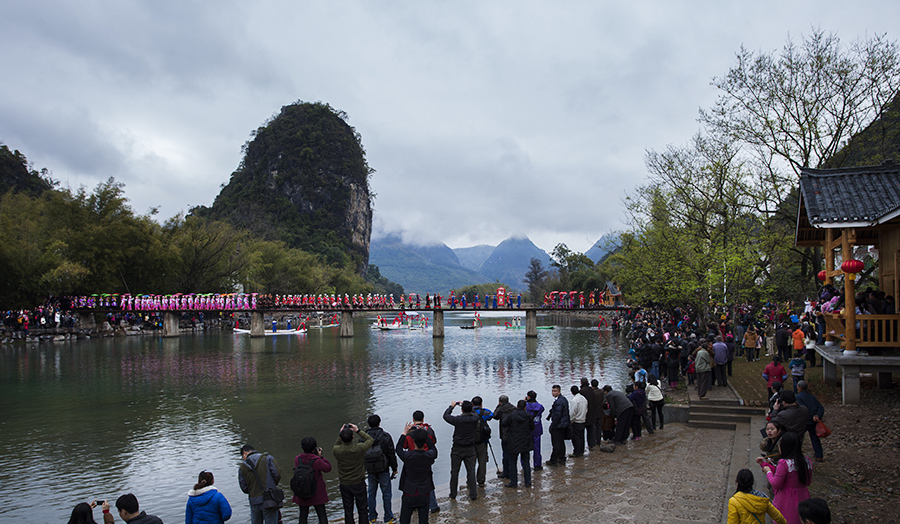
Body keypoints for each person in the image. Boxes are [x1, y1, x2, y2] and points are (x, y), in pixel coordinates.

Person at [756, 432, 812, 524]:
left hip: (787, 499)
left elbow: (776, 483)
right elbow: (808, 482)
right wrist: (764, 464)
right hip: (803, 496)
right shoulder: (807, 461)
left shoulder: (784, 463)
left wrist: (768, 472)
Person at [395, 423, 437, 524]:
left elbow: (398, 448)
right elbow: (433, 448)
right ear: (424, 441)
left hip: (409, 491)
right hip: (424, 492)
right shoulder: (429, 455)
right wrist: (424, 434)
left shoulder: (408, 456)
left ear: (413, 441)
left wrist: (404, 433)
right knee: (423, 520)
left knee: (404, 520)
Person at [333, 424, 374, 524]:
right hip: (358, 482)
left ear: (341, 438)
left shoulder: (337, 450)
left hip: (345, 483)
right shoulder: (359, 449)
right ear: (352, 437)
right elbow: (370, 440)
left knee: (348, 510)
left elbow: (337, 444)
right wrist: (358, 430)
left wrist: (341, 434)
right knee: (363, 509)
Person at [443, 400, 479, 500]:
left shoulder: (458, 420)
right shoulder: (474, 418)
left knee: (454, 472)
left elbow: (445, 416)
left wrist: (451, 406)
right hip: (470, 448)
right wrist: (468, 406)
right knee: (471, 471)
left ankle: (453, 494)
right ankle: (473, 494)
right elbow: (475, 412)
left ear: (462, 410)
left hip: (457, 448)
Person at [365, 414, 398, 524]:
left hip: (370, 469)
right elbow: (391, 453)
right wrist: (394, 468)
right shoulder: (385, 436)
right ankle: (388, 517)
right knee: (387, 494)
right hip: (383, 468)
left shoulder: (364, 437)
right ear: (379, 423)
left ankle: (372, 517)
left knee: (371, 493)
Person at [239, 444, 282, 524]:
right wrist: (271, 485)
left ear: (244, 453)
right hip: (269, 498)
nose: (243, 459)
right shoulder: (267, 458)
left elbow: (244, 487)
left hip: (254, 501)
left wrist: (253, 490)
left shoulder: (242, 467)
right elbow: (277, 474)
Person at [293, 437, 332, 524]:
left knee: (303, 515)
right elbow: (328, 468)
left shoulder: (297, 459)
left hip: (302, 490)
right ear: (314, 448)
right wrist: (321, 456)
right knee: (321, 514)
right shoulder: (316, 460)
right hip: (316, 492)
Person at [501, 399, 535, 488]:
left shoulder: (512, 416)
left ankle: (513, 482)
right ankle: (528, 482)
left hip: (514, 441)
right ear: (525, 407)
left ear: (517, 406)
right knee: (526, 462)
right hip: (525, 442)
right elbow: (532, 427)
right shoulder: (528, 416)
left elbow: (503, 423)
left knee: (513, 463)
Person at [795, 381, 825, 462]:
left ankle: (795, 454)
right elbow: (820, 408)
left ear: (799, 387)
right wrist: (817, 415)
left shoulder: (799, 397)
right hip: (813, 421)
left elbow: (801, 409)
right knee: (815, 438)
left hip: (804, 421)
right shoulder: (812, 396)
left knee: (798, 437)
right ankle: (819, 455)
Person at [471, 396, 494, 486]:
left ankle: (470, 481)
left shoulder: (469, 412)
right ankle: (481, 480)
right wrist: (482, 408)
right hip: (482, 441)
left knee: (471, 463)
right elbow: (491, 414)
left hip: (471, 441)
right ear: (481, 404)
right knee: (482, 461)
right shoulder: (483, 413)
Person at [545, 385, 570, 465]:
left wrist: (553, 425)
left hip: (559, 425)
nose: (553, 393)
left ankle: (553, 460)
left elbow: (557, 415)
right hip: (563, 424)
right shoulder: (563, 399)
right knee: (561, 442)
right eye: (552, 391)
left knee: (556, 444)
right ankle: (562, 457)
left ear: (559, 391)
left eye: (555, 391)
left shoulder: (559, 402)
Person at [492, 395, 516, 479]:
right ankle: (512, 471)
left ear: (500, 402)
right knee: (512, 454)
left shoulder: (501, 409)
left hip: (504, 434)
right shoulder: (513, 408)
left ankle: (506, 472)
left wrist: (498, 406)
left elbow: (495, 416)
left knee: (505, 454)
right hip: (513, 434)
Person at [524, 390, 544, 470]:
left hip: (528, 429)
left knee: (525, 449)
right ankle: (537, 464)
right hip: (537, 428)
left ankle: (525, 465)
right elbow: (542, 409)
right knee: (537, 448)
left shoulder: (526, 406)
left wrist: (525, 401)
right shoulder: (540, 406)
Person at [568, 385, 588, 456]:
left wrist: (570, 420)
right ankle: (581, 450)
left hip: (576, 421)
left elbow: (572, 412)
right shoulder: (584, 399)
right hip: (583, 420)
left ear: (572, 392)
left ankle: (576, 452)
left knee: (576, 438)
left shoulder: (574, 400)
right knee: (581, 437)